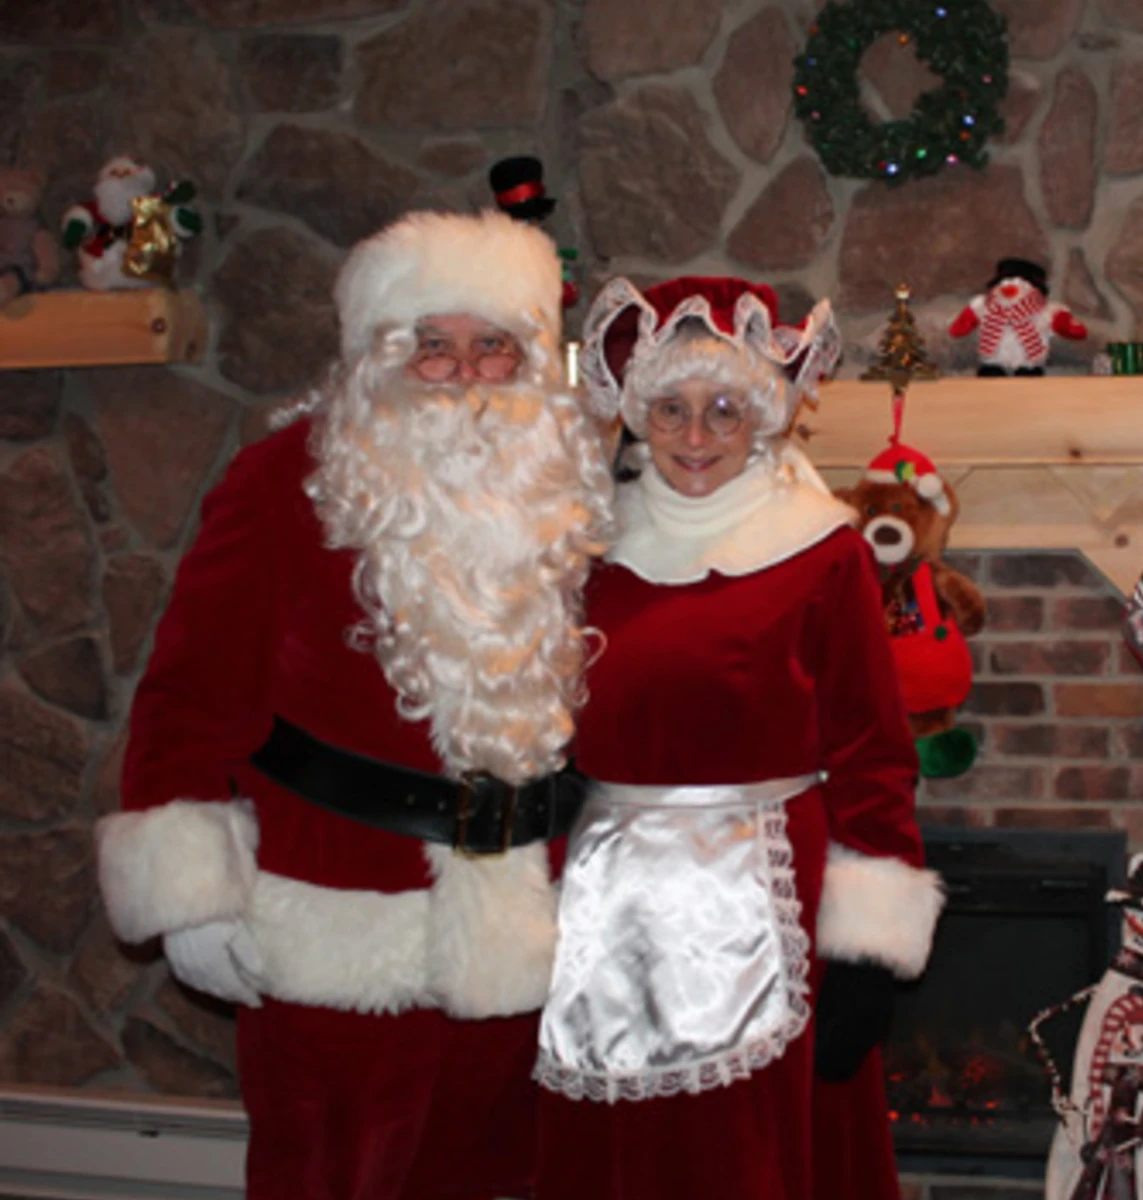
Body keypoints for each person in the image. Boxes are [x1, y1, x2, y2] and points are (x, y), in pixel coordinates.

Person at [94, 209, 613, 1200]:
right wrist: (190, 896)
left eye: (493, 347)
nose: (464, 376)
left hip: (524, 937)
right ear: (377, 355)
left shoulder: (570, 495)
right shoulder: (282, 481)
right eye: (433, 347)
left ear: (532, 359)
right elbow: (190, 691)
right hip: (337, 931)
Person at [533, 276, 945, 1199]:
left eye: (724, 409)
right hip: (606, 912)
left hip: (770, 909)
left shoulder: (822, 550)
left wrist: (869, 947)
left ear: (765, 417)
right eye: (670, 409)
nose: (693, 436)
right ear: (636, 414)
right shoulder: (589, 549)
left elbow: (876, 753)